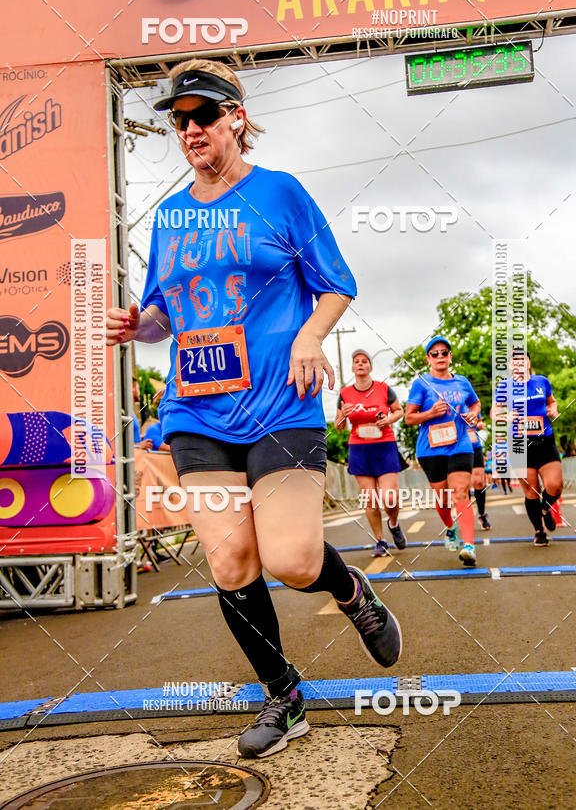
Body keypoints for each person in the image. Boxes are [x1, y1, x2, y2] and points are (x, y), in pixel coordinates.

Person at [106, 59, 401, 760]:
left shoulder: (280, 195)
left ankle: (352, 590)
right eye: (179, 120)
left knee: (294, 559)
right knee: (232, 560)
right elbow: (163, 313)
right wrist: (136, 325)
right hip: (197, 414)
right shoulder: (174, 216)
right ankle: (284, 694)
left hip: (281, 404)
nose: (190, 130)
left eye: (203, 115)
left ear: (236, 117)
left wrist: (308, 335)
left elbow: (336, 284)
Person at [404, 337, 481, 566]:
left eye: (444, 353)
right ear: (428, 359)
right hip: (431, 448)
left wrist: (474, 414)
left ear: (450, 356)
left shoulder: (462, 382)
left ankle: (469, 546)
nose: (440, 357)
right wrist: (430, 413)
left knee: (460, 492)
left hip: (460, 444)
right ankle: (450, 526)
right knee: (443, 498)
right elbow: (409, 417)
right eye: (434, 354)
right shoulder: (421, 384)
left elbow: (475, 403)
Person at [335, 349, 408, 556]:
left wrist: (388, 420)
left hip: (384, 444)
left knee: (390, 497)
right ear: (352, 367)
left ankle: (393, 524)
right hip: (359, 447)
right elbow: (339, 426)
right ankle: (380, 540)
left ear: (370, 367)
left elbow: (399, 411)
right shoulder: (345, 393)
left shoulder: (384, 388)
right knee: (370, 499)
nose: (360, 364)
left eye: (364, 361)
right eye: (356, 361)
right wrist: (343, 416)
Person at [492, 350, 563, 546]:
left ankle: (545, 508)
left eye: (522, 359)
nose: (518, 363)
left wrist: (553, 409)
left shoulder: (542, 381)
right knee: (531, 491)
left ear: (529, 362)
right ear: (509, 366)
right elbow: (494, 411)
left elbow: (552, 401)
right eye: (514, 361)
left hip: (544, 441)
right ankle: (539, 531)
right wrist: (505, 416)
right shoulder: (505, 386)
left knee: (555, 485)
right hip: (519, 445)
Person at [469, 415, 490, 530]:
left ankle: (482, 514)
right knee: (462, 486)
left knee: (479, 482)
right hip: (456, 446)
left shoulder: (471, 399)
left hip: (474, 445)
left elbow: (479, 422)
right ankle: (466, 516)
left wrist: (479, 425)